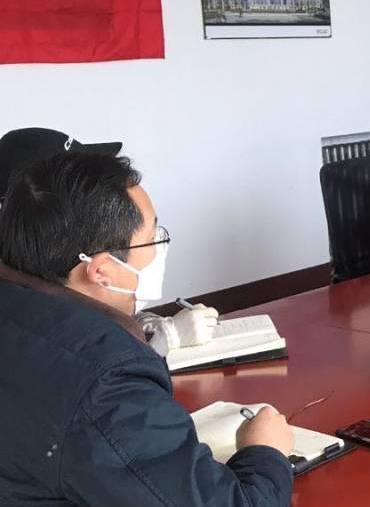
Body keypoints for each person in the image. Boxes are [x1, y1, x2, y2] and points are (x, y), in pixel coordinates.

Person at [0, 151, 297, 507]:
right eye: (153, 239)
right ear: (99, 268)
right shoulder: (100, 374)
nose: (159, 251)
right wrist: (265, 451)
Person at [0, 127, 220, 356]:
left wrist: (144, 326)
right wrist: (165, 339)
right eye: (81, 177)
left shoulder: (28, 278)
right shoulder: (42, 322)